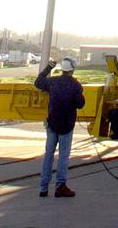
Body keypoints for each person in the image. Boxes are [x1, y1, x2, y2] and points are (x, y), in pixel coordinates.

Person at [34, 56, 86, 198]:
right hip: (67, 125)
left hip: (52, 123)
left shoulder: (52, 82)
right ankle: (60, 186)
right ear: (73, 69)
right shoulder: (75, 85)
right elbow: (80, 104)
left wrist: (49, 67)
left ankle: (43, 188)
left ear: (62, 69)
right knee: (63, 156)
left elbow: (38, 82)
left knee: (48, 156)